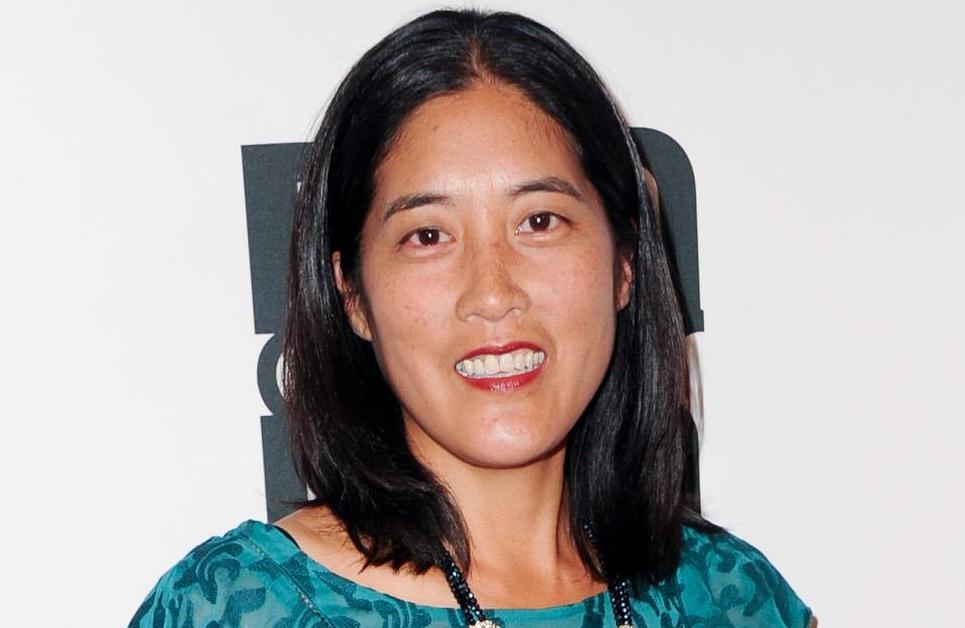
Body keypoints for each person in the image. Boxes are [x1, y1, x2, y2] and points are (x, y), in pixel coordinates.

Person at [131, 8, 815, 627]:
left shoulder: (733, 599)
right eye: (428, 235)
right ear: (352, 295)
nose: (491, 293)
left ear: (625, 263)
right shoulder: (234, 607)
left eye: (539, 221)